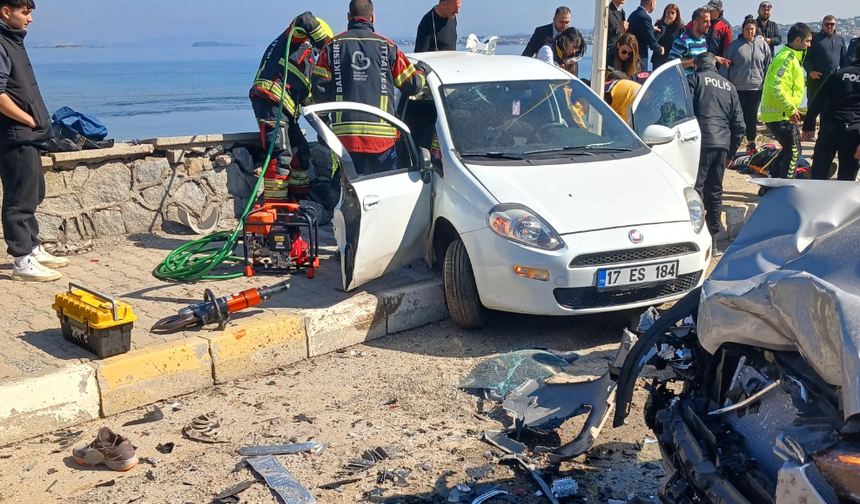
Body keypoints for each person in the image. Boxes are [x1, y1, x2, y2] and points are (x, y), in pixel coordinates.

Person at [313, 0, 426, 175]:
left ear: (349, 17)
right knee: (386, 192)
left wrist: (324, 123)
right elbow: (413, 86)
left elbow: (319, 90)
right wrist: (421, 71)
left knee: (351, 192)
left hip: (346, 138)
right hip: (382, 141)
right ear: (372, 17)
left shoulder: (332, 47)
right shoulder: (388, 47)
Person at [0, 0, 70, 282]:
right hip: (15, 136)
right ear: (6, 11)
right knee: (19, 199)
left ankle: (33, 248)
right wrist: (27, 120)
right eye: (25, 12)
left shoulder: (12, 40)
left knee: (33, 192)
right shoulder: (2, 43)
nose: (30, 19)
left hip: (27, 135)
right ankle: (22, 260)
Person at [250, 12, 332, 203]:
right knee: (280, 154)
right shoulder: (295, 39)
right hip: (270, 100)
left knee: (301, 152)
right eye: (322, 47)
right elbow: (304, 19)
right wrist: (324, 44)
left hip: (286, 110)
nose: (322, 54)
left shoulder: (308, 61)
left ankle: (299, 201)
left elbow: (308, 99)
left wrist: (324, 126)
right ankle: (275, 207)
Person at [689, 52, 744, 251]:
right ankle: (713, 238)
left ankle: (694, 236)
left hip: (699, 142)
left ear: (697, 65)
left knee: (696, 189)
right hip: (722, 143)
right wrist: (731, 152)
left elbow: (683, 111)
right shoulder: (729, 86)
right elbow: (739, 124)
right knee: (715, 191)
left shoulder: (694, 79)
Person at [760, 23, 812, 180]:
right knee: (794, 151)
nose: (809, 45)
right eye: (807, 41)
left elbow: (791, 84)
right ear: (797, 40)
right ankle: (785, 185)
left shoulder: (792, 58)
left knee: (787, 150)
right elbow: (777, 86)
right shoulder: (787, 59)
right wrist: (789, 109)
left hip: (780, 113)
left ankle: (770, 182)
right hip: (780, 114)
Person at [801, 43, 860, 181]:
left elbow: (818, 99)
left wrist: (808, 125)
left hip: (831, 127)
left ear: (855, 56)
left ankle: (815, 200)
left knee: (819, 173)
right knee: (847, 178)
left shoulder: (839, 73)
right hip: (854, 131)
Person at [722, 16, 772, 152]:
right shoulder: (734, 46)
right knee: (737, 117)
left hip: (756, 87)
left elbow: (768, 65)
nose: (750, 32)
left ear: (756, 30)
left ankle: (751, 142)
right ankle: (734, 143)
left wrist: (767, 83)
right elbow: (725, 66)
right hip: (738, 87)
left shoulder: (762, 45)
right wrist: (725, 85)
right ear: (743, 30)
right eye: (747, 29)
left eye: (752, 29)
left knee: (752, 116)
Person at [804, 15, 846, 102]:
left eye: (832, 24)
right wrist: (810, 71)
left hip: (833, 79)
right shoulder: (814, 39)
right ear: (822, 25)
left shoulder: (840, 39)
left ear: (835, 25)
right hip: (816, 79)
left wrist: (843, 74)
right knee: (814, 105)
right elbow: (805, 58)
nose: (829, 26)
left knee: (832, 105)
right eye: (827, 24)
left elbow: (844, 59)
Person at [669, 7, 710, 75]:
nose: (709, 24)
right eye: (705, 22)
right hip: (686, 83)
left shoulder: (703, 39)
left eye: (709, 21)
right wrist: (695, 61)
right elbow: (672, 65)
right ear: (695, 23)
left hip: (699, 82)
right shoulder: (683, 41)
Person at [627, 0, 662, 71]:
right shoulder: (645, 17)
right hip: (640, 56)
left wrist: (651, 28)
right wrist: (659, 49)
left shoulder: (633, 14)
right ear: (652, 4)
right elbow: (649, 38)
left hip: (629, 53)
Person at [652, 3, 683, 69]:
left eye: (673, 13)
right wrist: (664, 25)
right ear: (664, 14)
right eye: (668, 13)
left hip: (673, 59)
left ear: (677, 15)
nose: (670, 15)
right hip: (659, 59)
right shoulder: (659, 24)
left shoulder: (680, 27)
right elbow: (654, 40)